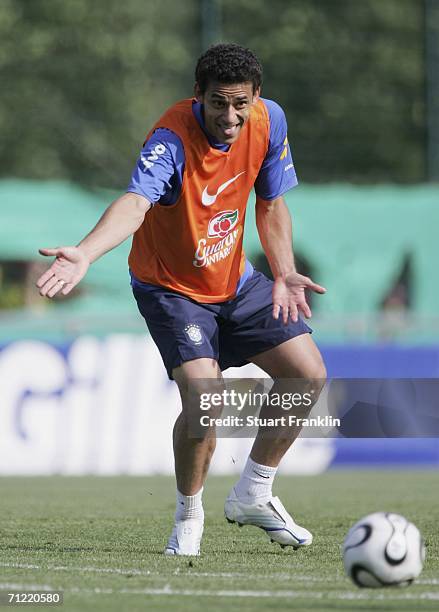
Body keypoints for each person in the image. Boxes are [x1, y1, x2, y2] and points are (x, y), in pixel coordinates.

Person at [37, 43, 327, 556]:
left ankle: (254, 492)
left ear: (257, 97)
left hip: (236, 281)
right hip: (171, 288)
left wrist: (283, 273)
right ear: (198, 97)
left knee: (308, 374)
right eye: (218, 103)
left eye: (241, 103)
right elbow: (134, 203)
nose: (230, 116)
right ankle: (188, 517)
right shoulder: (169, 139)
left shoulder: (269, 120)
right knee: (205, 400)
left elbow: (272, 203)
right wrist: (85, 253)